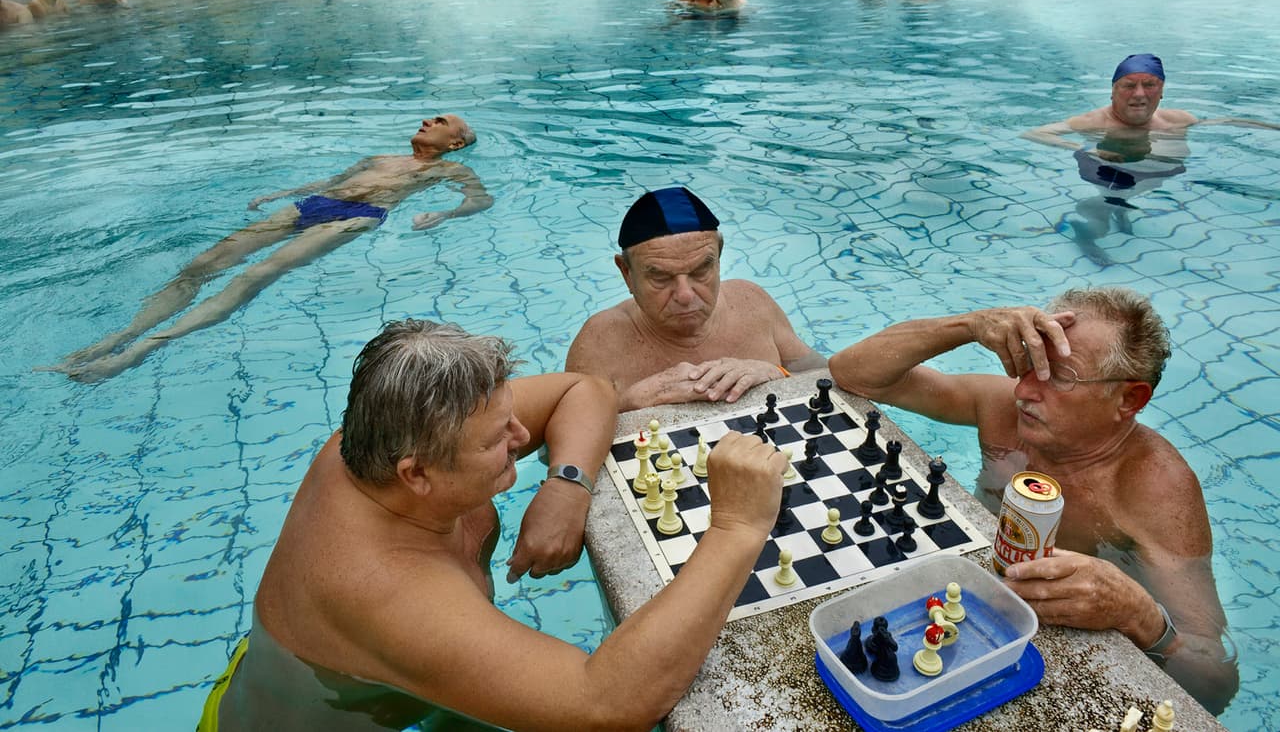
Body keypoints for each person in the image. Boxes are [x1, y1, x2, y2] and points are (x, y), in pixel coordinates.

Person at [198, 319, 787, 731]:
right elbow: (610, 705)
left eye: (511, 418)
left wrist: (567, 485)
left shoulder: (392, 438)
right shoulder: (388, 591)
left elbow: (584, 390)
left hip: (405, 688)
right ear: (417, 474)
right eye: (496, 439)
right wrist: (736, 527)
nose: (521, 437)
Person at [828, 288, 1239, 715]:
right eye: (1029, 363)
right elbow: (853, 373)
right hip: (960, 616)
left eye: (1060, 377)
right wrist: (970, 325)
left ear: (1128, 400)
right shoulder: (1002, 408)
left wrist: (1139, 615)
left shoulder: (1156, 490)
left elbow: (1215, 682)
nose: (1024, 390)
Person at [52, 115, 491, 382]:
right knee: (203, 264)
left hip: (357, 216)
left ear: (454, 143)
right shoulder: (378, 158)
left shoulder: (447, 169)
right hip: (316, 204)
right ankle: (118, 338)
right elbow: (331, 181)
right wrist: (281, 194)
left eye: (440, 121)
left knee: (256, 274)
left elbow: (479, 200)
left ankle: (139, 351)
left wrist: (444, 214)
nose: (427, 121)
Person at [565, 186, 825, 412]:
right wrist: (627, 403)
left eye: (701, 271)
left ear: (718, 259)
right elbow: (560, 443)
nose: (685, 295)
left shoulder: (751, 302)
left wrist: (775, 373)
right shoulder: (600, 341)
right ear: (627, 273)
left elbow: (829, 378)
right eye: (661, 277)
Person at [1021, 53, 1280, 153]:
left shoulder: (1178, 120)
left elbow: (1226, 122)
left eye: (1149, 85)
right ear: (1113, 91)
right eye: (1129, 86)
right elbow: (1034, 133)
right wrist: (1084, 149)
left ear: (1162, 91)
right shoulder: (1093, 123)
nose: (1139, 94)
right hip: (1109, 178)